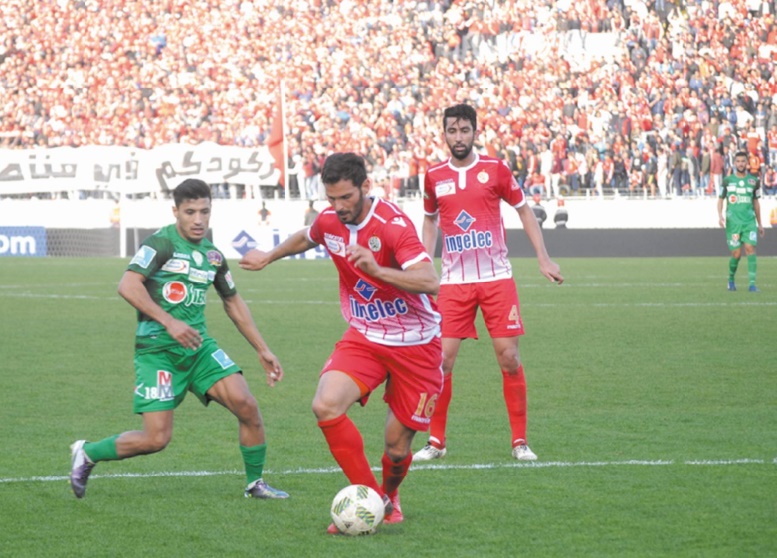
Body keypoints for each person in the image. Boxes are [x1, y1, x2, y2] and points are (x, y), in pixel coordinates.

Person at [238, 152, 443, 533]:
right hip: (365, 336)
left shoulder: (393, 225)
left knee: (397, 448)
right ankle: (371, 500)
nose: (339, 207)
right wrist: (269, 256)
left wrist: (379, 270)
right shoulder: (331, 219)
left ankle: (390, 493)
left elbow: (431, 280)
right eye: (331, 199)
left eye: (346, 197)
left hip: (416, 344)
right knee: (326, 405)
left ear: (365, 187)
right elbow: (308, 235)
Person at [70, 179, 289, 500]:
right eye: (190, 212)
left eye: (204, 211)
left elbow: (233, 302)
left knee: (247, 405)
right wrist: (169, 321)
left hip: (198, 350)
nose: (198, 219)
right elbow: (128, 285)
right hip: (158, 352)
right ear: (176, 211)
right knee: (156, 439)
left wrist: (263, 349)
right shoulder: (160, 244)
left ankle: (255, 483)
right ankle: (87, 452)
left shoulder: (213, 256)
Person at [415, 103, 564, 463]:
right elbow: (431, 221)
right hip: (453, 282)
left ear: (475, 132)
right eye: (452, 130)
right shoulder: (434, 176)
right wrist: (422, 265)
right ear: (445, 134)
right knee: (442, 362)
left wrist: (543, 257)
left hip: (496, 279)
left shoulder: (495, 169)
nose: (459, 137)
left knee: (509, 358)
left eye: (465, 130)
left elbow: (524, 209)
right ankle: (436, 442)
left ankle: (519, 442)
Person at [718, 151, 765, 292]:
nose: (740, 164)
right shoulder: (727, 181)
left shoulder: (754, 181)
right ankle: (731, 279)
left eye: (743, 161)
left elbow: (756, 202)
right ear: (734, 163)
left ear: (747, 163)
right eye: (738, 161)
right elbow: (720, 199)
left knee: (750, 249)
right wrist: (720, 215)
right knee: (736, 254)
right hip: (733, 223)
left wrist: (760, 223)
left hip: (749, 222)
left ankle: (752, 284)